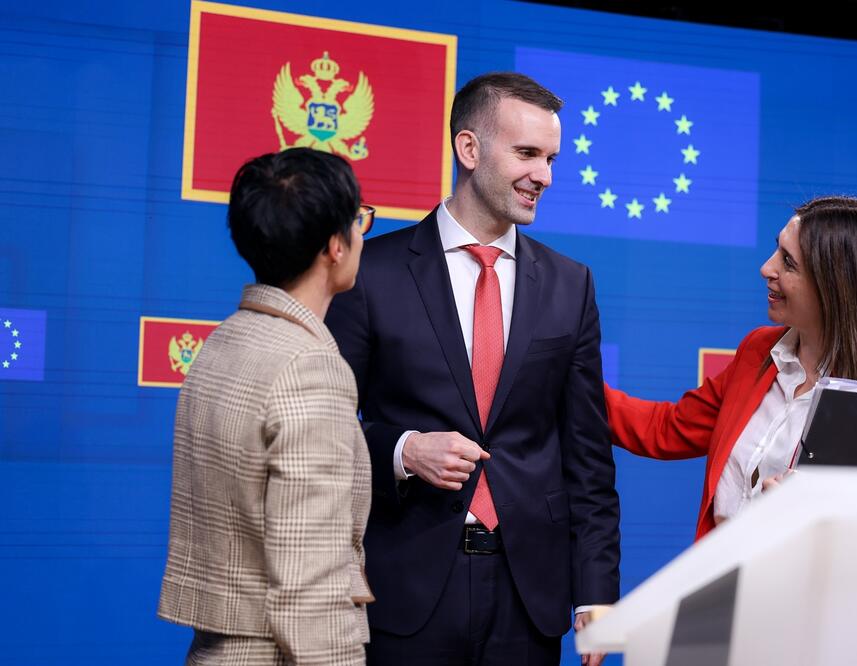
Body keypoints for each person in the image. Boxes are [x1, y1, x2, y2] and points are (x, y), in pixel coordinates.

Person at [325, 72, 620, 665]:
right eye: (528, 153)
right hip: (403, 590)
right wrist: (404, 450)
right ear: (469, 149)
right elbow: (325, 427)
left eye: (552, 158)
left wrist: (596, 592)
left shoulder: (571, 285)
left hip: (529, 599)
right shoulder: (372, 272)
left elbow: (587, 454)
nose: (545, 175)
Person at [605, 196, 857, 541]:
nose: (766, 268)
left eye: (788, 262)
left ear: (838, 287)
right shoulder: (758, 350)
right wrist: (568, 377)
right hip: (724, 587)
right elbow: (665, 429)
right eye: (777, 251)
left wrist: (810, 514)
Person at [158, 148, 376, 665]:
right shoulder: (310, 367)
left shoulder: (223, 342)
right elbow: (311, 588)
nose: (363, 233)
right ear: (334, 246)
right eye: (360, 219)